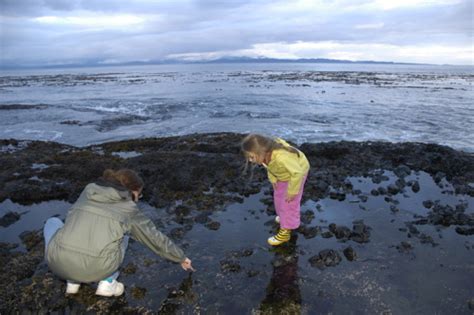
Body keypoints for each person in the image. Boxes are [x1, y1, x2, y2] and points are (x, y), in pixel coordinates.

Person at [43, 169, 194, 297]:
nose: (138, 199)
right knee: (123, 235)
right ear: (132, 191)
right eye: (139, 195)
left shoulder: (88, 191)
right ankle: (108, 281)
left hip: (57, 264)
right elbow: (154, 238)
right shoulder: (128, 208)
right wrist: (180, 257)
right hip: (98, 268)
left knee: (53, 222)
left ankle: (73, 282)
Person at [241, 134, 310, 246]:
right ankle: (284, 217)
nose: (250, 160)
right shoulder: (265, 153)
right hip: (283, 174)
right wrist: (273, 178)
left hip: (297, 173)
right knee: (278, 196)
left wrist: (292, 191)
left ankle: (285, 231)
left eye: (252, 157)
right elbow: (269, 166)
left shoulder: (282, 158)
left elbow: (297, 173)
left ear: (261, 152)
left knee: (289, 202)